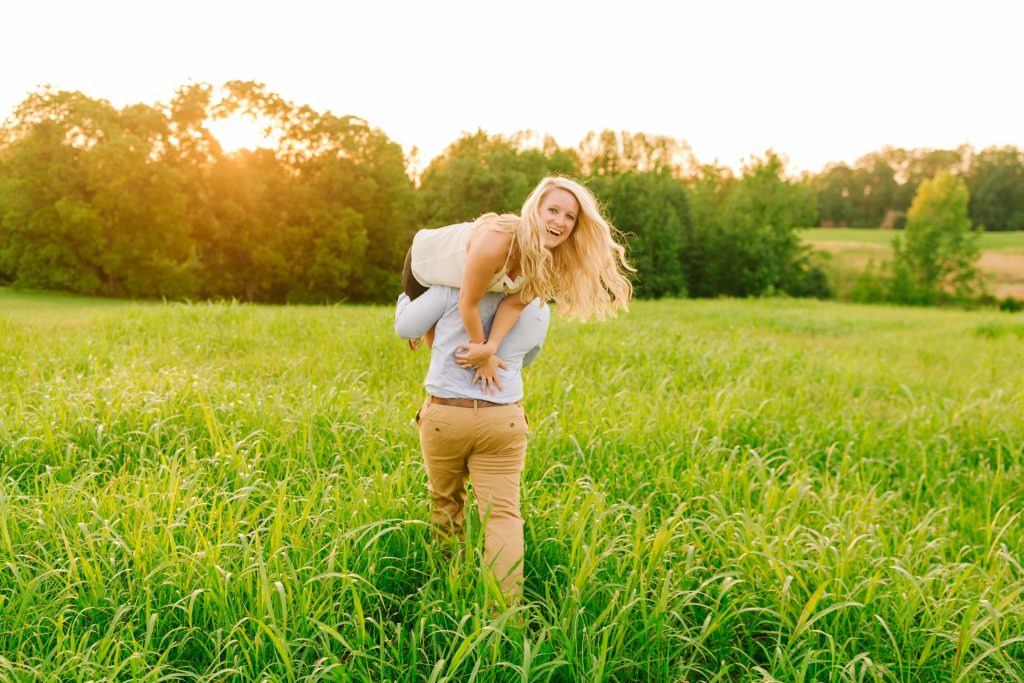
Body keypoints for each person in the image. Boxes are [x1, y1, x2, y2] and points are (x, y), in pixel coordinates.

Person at [401, 176, 633, 392]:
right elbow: (468, 302)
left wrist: (490, 347)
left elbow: (513, 305)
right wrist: (481, 352)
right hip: (424, 267)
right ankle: (405, 305)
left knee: (457, 356)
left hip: (464, 281)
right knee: (426, 337)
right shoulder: (496, 244)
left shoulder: (549, 261)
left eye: (570, 217)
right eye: (552, 210)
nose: (560, 221)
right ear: (535, 211)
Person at [395, 284, 550, 599]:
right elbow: (527, 358)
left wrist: (407, 292)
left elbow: (406, 327)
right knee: (503, 515)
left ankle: (448, 595)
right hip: (502, 420)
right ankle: (505, 616)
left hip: (447, 416)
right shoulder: (536, 303)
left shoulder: (450, 291)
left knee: (446, 503)